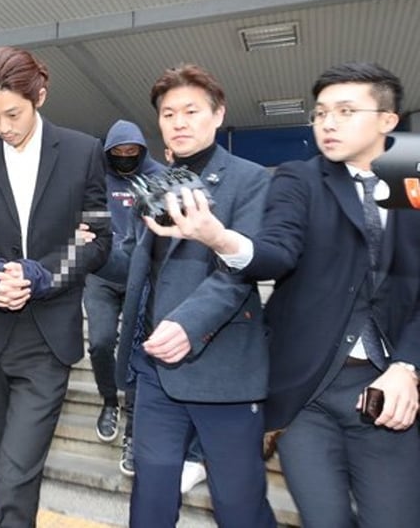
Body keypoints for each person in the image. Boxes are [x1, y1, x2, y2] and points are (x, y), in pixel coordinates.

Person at [151, 62, 420, 527]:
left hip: (387, 388)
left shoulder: (408, 173)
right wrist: (221, 239)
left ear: (387, 120)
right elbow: (276, 253)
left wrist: (407, 366)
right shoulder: (301, 178)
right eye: (320, 113)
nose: (328, 123)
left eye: (345, 111)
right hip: (306, 391)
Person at [104, 64, 275, 527]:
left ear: (218, 115)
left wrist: (188, 324)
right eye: (168, 113)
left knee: (239, 506)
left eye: (191, 111)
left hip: (223, 372)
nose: (178, 122)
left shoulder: (251, 180)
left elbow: (239, 269)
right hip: (154, 369)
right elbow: (137, 267)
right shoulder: (156, 185)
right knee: (150, 503)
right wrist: (90, 253)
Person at [0, 46, 111, 526]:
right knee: (0, 475)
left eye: (13, 114)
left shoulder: (83, 152)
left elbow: (101, 237)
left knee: (15, 477)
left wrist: (42, 275)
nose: (3, 126)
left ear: (39, 96)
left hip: (46, 339)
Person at [83, 120, 165, 471]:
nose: (126, 157)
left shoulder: (158, 176)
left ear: (142, 151)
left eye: (132, 152)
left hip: (140, 276)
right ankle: (108, 401)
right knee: (100, 342)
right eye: (119, 152)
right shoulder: (95, 177)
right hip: (101, 274)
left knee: (136, 351)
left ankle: (133, 428)